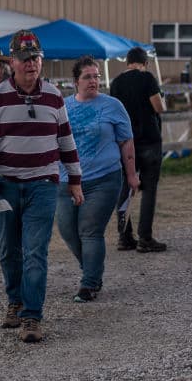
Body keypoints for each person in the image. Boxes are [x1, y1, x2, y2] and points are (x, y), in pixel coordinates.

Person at [0, 29, 83, 343]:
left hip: (43, 185)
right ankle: (15, 301)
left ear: (42, 60)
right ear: (12, 62)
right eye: (24, 59)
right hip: (5, 185)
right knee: (10, 250)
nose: (30, 64)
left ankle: (32, 317)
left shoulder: (53, 97)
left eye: (35, 58)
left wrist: (74, 180)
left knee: (35, 252)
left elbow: (66, 141)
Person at [59, 56, 139, 302]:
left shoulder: (113, 106)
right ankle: (92, 269)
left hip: (104, 179)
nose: (94, 81)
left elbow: (126, 142)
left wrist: (131, 175)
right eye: (88, 77)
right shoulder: (63, 107)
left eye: (97, 76)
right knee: (67, 229)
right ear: (76, 82)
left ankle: (90, 283)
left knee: (89, 230)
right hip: (66, 179)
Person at [110, 47, 167, 252]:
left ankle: (124, 237)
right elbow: (158, 107)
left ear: (127, 62)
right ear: (145, 63)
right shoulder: (147, 78)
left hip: (125, 142)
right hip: (149, 139)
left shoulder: (116, 83)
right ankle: (145, 238)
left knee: (125, 188)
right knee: (149, 188)